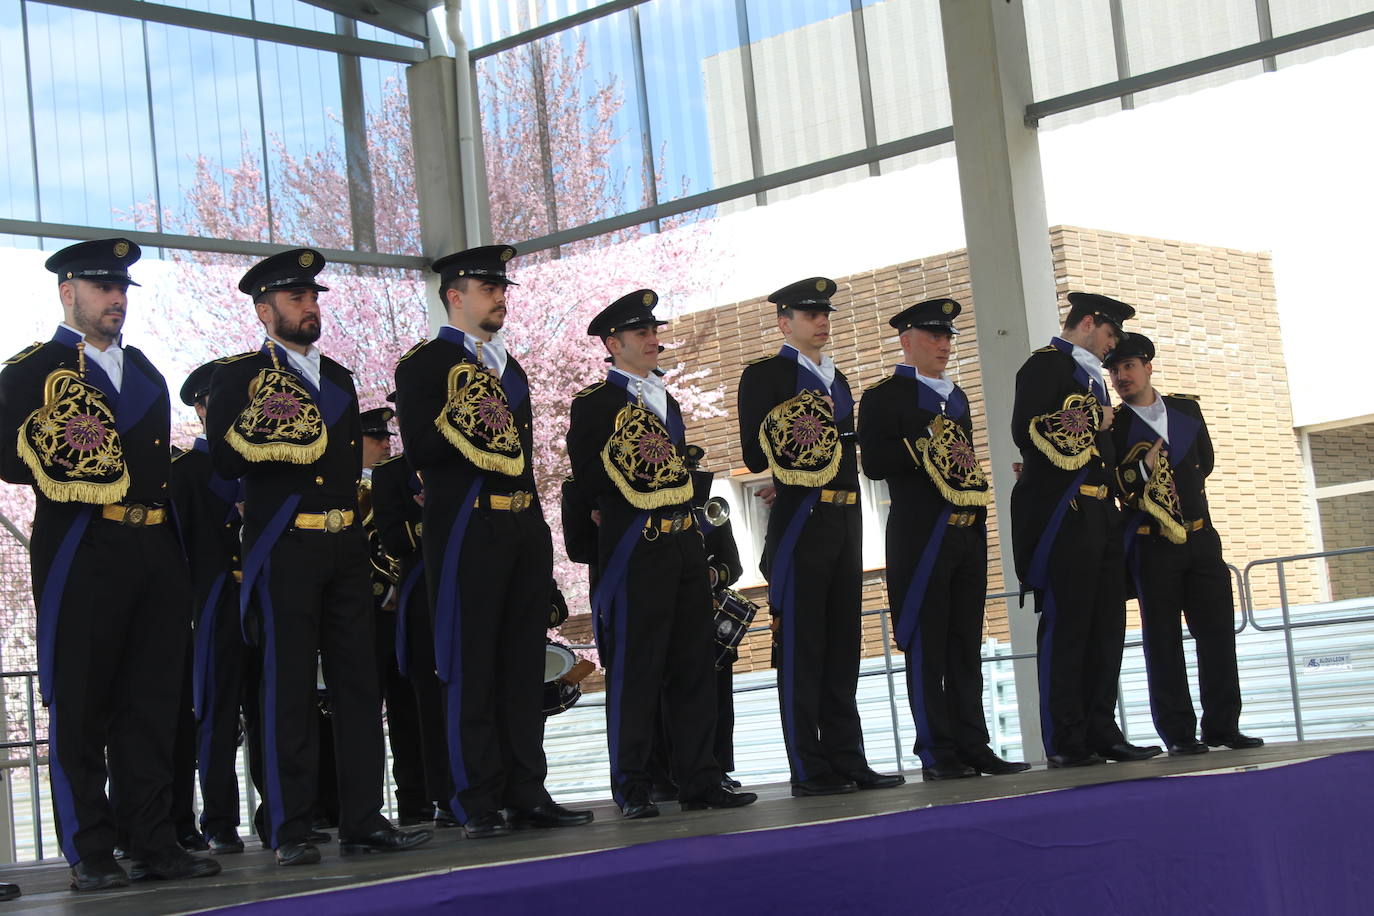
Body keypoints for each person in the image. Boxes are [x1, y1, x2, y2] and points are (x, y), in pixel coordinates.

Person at [0, 239, 220, 890]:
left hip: (152, 548)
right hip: (83, 547)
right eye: (101, 288)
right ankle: (90, 850)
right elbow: (10, 460)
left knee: (150, 706)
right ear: (68, 292)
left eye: (121, 289)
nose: (116, 299)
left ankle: (151, 840)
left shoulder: (147, 371)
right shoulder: (29, 371)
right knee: (82, 700)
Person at [205, 248, 431, 865]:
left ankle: (363, 818)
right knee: (289, 690)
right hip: (285, 547)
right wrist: (274, 426)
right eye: (296, 298)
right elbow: (225, 462)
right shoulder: (236, 375)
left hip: (343, 545)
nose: (310, 307)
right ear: (264, 309)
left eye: (314, 298)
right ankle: (291, 827)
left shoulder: (336, 378)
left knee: (361, 686)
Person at [394, 244, 592, 838]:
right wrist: (471, 413)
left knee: (519, 663)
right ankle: (473, 796)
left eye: (502, 287)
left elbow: (522, 461)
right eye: (488, 288)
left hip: (519, 524)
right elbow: (423, 450)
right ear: (455, 297)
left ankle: (526, 788)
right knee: (470, 663)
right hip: (467, 529)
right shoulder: (425, 365)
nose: (500, 296)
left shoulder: (510, 367)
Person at [567, 289, 757, 818]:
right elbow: (587, 477)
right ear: (613, 342)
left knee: (695, 667)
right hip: (640, 549)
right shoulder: (596, 403)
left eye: (655, 331)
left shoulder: (664, 399)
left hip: (682, 544)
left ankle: (700, 779)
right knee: (637, 670)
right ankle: (632, 786)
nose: (654, 340)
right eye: (641, 333)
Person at [737, 277, 903, 796]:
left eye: (824, 313)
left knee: (841, 645)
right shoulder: (767, 374)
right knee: (804, 646)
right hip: (803, 518)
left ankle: (847, 757)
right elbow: (754, 452)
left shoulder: (838, 377)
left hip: (844, 517)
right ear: (785, 322)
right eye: (810, 314)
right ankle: (809, 766)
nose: (821, 322)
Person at [859, 298, 1030, 781]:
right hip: (921, 534)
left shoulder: (956, 397)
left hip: (964, 532)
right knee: (927, 644)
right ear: (906, 339)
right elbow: (874, 462)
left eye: (948, 336)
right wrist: (923, 447)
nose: (943, 344)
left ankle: (974, 744)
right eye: (933, 335)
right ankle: (937, 751)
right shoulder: (885, 395)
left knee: (963, 646)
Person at [1009, 291, 1162, 768]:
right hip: (1066, 515)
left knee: (1105, 629)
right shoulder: (1045, 365)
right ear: (1089, 322)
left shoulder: (1091, 376)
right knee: (1069, 628)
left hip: (1100, 514)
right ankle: (1066, 736)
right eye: (1109, 334)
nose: (1111, 346)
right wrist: (1095, 417)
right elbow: (1026, 430)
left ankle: (1102, 728)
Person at [1105, 333, 1263, 755]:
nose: (1122, 377)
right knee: (1163, 641)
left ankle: (1223, 726)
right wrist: (1144, 466)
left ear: (1148, 366)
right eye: (1115, 370)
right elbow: (1118, 484)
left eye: (1129, 367)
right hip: (1152, 543)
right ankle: (1177, 733)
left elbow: (1203, 463)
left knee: (1216, 635)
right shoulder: (1115, 425)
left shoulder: (1185, 408)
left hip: (1200, 536)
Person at [170, 361, 262, 854]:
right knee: (217, 714)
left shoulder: (262, 465)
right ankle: (220, 820)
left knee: (273, 709)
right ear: (202, 410)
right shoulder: (181, 473)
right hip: (214, 606)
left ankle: (283, 816)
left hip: (264, 603)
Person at [358, 406, 430, 822]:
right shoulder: (342, 490)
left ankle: (415, 799)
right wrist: (381, 589)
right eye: (374, 438)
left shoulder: (401, 478)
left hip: (406, 609)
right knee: (365, 711)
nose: (386, 443)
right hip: (368, 612)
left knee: (410, 710)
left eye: (387, 437)